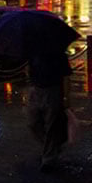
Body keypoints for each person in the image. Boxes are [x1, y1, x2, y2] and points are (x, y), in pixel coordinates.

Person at [26, 43, 71, 171]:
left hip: (53, 90)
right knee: (33, 122)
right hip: (36, 90)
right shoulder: (33, 52)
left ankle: (49, 158)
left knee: (52, 123)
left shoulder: (59, 54)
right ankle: (52, 146)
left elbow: (66, 77)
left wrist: (66, 98)